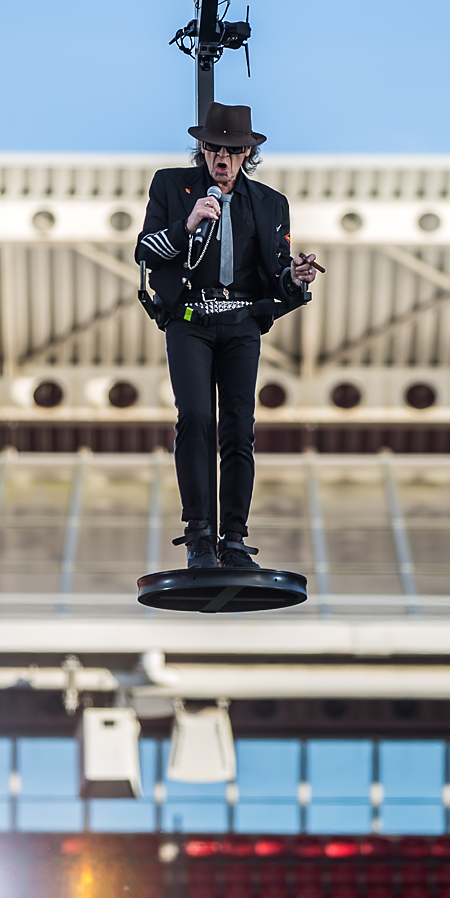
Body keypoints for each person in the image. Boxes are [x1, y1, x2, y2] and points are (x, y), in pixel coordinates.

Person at [134, 103, 322, 570]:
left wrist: (296, 276)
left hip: (240, 322)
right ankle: (198, 534)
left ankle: (234, 540)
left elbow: (276, 275)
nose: (222, 157)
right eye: (215, 148)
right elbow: (145, 251)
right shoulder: (171, 186)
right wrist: (188, 224)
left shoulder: (270, 203)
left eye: (233, 150)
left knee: (239, 428)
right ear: (202, 148)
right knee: (195, 416)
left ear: (246, 154)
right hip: (189, 319)